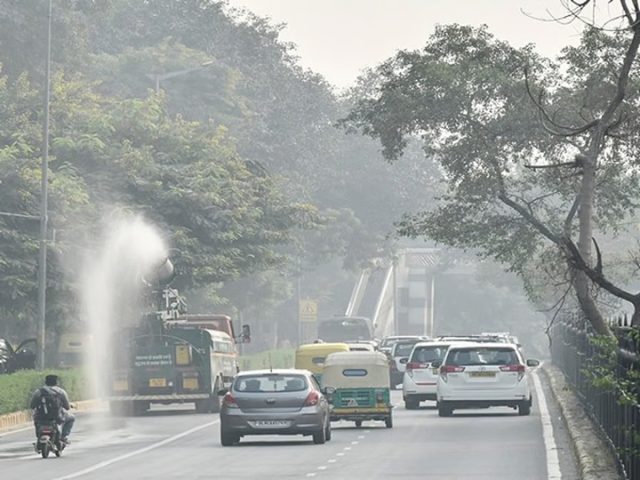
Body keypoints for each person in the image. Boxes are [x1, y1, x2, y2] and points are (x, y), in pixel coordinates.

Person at [30, 374, 75, 444]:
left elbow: (32, 406)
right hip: (57, 417)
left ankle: (39, 436)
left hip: (40, 417)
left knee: (36, 420)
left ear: (46, 382)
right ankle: (63, 437)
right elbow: (67, 407)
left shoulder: (38, 392)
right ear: (56, 382)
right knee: (71, 417)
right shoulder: (61, 392)